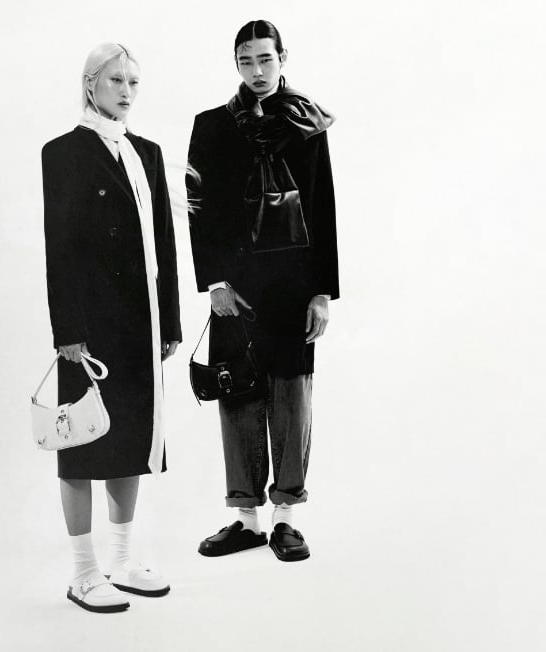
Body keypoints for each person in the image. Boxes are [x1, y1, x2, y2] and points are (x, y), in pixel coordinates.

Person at [187, 20, 339, 562]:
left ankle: (286, 517)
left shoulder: (307, 122)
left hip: (294, 283)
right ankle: (245, 518)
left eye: (265, 59)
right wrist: (215, 282)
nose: (256, 71)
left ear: (282, 58)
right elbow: (199, 209)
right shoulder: (211, 125)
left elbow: (322, 205)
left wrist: (322, 291)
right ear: (236, 63)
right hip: (236, 285)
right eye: (246, 61)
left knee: (292, 398)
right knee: (237, 393)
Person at [41, 43, 181, 613]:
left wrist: (169, 320)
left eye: (134, 82)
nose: (126, 91)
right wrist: (68, 330)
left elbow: (165, 243)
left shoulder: (148, 153)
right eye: (116, 80)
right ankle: (83, 572)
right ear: (90, 83)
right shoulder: (63, 153)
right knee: (81, 441)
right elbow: (60, 247)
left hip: (141, 322)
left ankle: (121, 561)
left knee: (131, 438)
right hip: (89, 325)